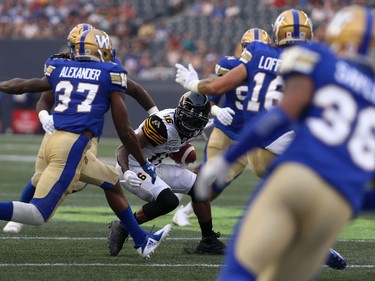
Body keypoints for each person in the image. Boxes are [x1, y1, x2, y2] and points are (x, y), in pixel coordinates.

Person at [196, 5, 375, 280]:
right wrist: (348, 201)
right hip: (337, 203)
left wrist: (231, 158)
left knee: (241, 271)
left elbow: (281, 113)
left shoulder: (320, 59)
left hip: (297, 172)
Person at [0, 28, 170, 259]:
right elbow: (125, 131)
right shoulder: (109, 73)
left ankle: (141, 241)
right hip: (73, 146)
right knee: (38, 214)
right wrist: (143, 161)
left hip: (52, 141)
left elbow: (23, 85)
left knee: (111, 181)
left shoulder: (60, 67)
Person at [107, 91, 226, 256]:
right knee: (168, 201)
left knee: (200, 186)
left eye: (196, 121)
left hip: (154, 165)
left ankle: (208, 241)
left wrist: (181, 155)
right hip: (133, 167)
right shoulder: (161, 126)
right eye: (189, 118)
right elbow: (122, 150)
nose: (191, 125)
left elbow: (171, 145)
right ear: (179, 112)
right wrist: (126, 172)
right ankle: (123, 226)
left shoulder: (197, 127)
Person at [172, 28, 270, 227]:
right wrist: (218, 112)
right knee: (210, 170)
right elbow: (212, 100)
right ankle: (176, 200)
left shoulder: (271, 74)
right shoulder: (230, 65)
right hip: (225, 129)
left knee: (222, 180)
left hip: (248, 137)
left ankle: (186, 211)